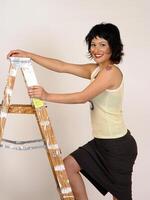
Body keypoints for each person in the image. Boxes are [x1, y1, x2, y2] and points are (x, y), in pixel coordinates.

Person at [7, 22, 137, 200]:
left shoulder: (110, 72)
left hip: (118, 147)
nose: (96, 49)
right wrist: (29, 55)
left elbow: (82, 97)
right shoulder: (95, 70)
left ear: (113, 47)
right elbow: (62, 66)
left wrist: (46, 95)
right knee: (68, 166)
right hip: (101, 143)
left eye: (102, 44)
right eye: (93, 44)